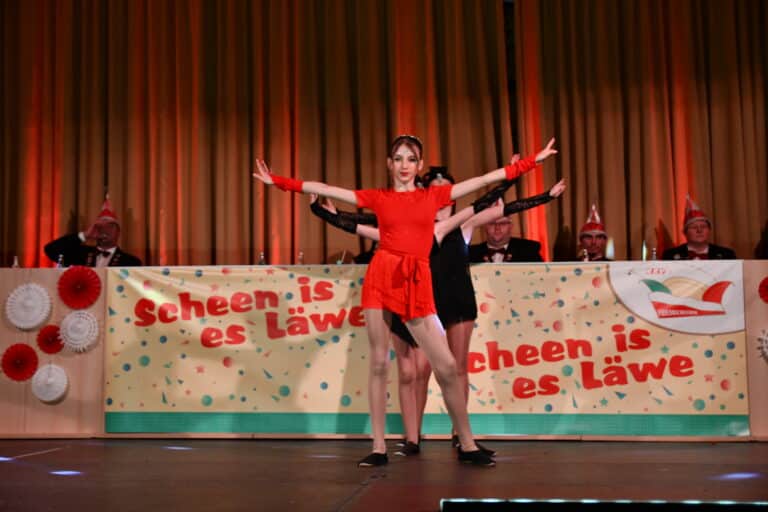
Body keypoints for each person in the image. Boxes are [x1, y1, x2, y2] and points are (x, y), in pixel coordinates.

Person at [253, 134, 557, 467]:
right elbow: (326, 188)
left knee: (447, 367)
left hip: (416, 280)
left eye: (410, 159)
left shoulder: (433, 197)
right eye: (398, 158)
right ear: (389, 163)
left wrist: (530, 162)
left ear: (419, 165)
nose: (404, 165)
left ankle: (468, 444)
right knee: (379, 363)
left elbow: (485, 180)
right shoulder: (379, 198)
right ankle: (379, 447)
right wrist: (278, 182)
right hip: (381, 276)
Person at [311, 169, 566, 459]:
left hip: (454, 300)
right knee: (416, 371)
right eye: (436, 189)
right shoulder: (411, 226)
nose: (442, 196)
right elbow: (366, 222)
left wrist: (543, 194)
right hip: (421, 301)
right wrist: (327, 213)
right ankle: (412, 438)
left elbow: (497, 205)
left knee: (455, 368)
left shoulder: (463, 223)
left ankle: (461, 437)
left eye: (446, 190)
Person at [44, 196, 142, 267]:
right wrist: (85, 235)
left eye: (110, 226)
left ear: (118, 232)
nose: (105, 229)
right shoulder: (80, 254)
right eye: (100, 226)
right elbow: (51, 250)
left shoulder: (131, 262)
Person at [662, 194, 736, 260]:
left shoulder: (727, 255)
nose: (699, 230)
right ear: (685, 232)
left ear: (709, 230)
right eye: (694, 227)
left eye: (703, 227)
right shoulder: (670, 256)